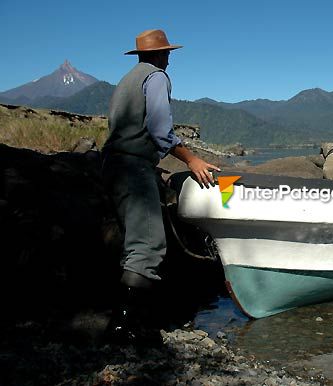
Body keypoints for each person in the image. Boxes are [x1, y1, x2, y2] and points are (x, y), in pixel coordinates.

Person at [101, 29, 220, 344]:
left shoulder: (127, 80)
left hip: (113, 165)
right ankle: (123, 327)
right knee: (148, 244)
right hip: (132, 168)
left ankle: (131, 321)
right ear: (160, 54)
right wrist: (191, 160)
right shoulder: (156, 77)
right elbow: (160, 129)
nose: (169, 58)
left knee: (133, 240)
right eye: (167, 52)